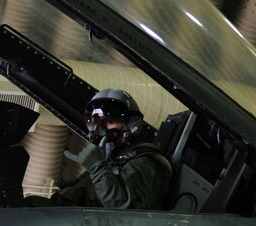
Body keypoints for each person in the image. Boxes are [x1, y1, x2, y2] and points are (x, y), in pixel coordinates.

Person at [32, 88, 171, 210]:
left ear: (131, 123)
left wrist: (97, 169)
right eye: (96, 123)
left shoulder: (144, 162)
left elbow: (130, 214)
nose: (100, 129)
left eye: (109, 121)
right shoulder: (112, 161)